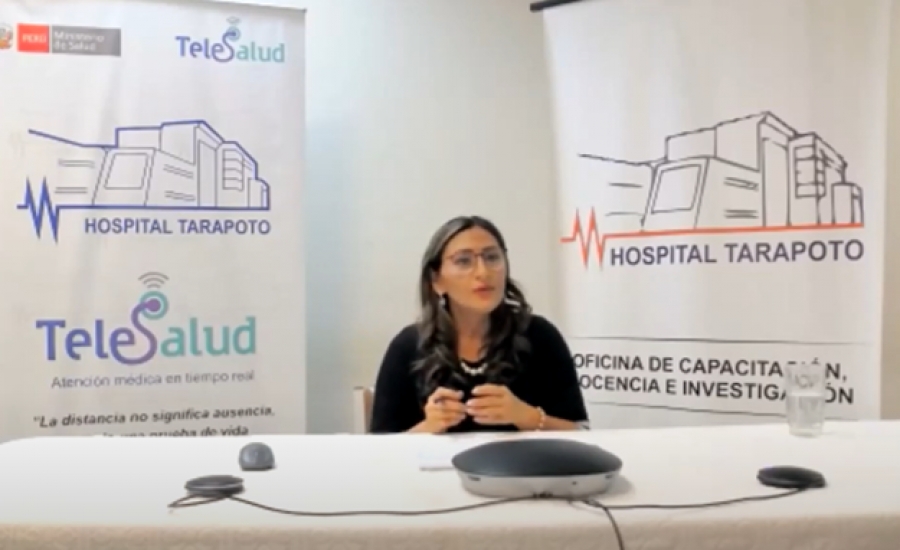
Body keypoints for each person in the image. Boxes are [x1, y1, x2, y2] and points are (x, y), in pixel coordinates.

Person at [369, 215, 589, 434]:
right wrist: (429, 427)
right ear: (436, 281)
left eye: (492, 257)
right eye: (464, 261)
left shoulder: (539, 336)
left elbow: (580, 432)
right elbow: (379, 447)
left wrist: (526, 417)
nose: (483, 272)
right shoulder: (409, 346)